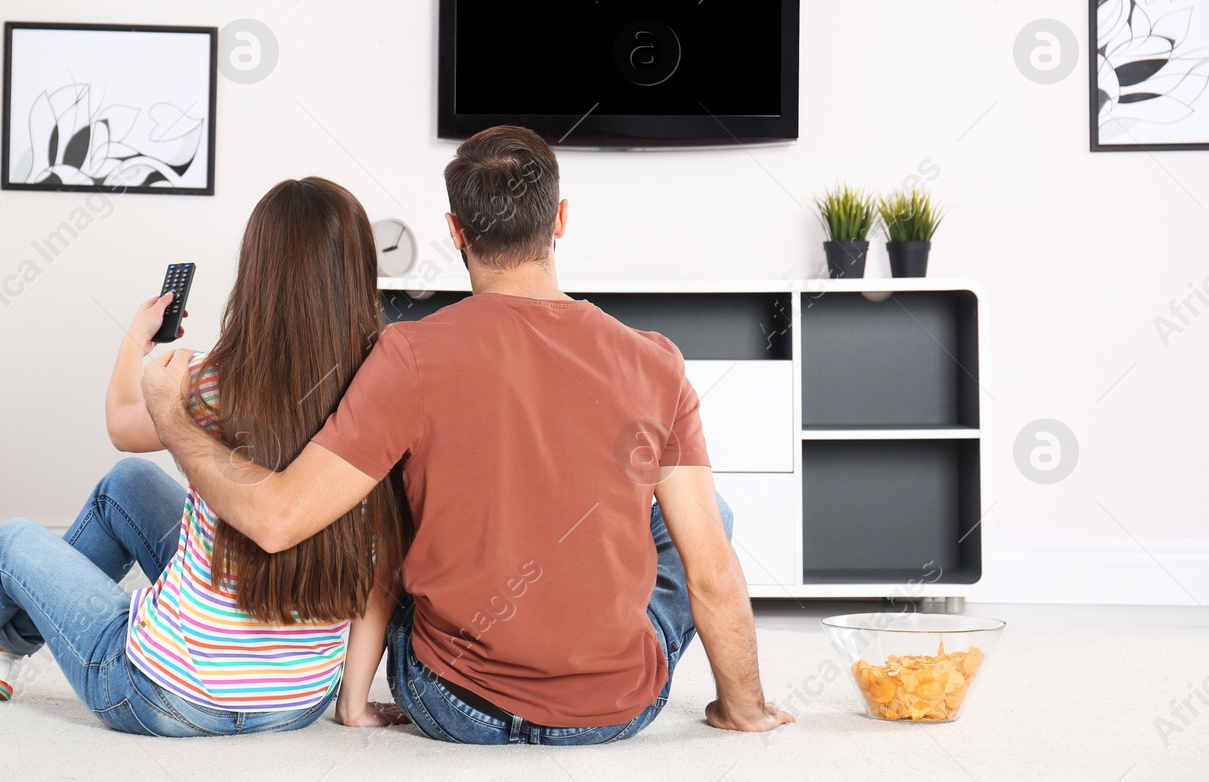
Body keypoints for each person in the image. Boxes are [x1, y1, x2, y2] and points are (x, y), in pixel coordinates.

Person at [142, 125, 795, 744]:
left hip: (455, 706)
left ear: (455, 232)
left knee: (402, 500)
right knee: (708, 522)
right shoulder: (656, 361)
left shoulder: (408, 354)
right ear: (559, 219)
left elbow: (283, 519)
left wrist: (172, 416)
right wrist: (744, 708)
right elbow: (710, 573)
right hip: (614, 710)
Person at [0, 177, 412, 737]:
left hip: (161, 695)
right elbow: (382, 571)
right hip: (296, 701)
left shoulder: (215, 380)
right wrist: (353, 704)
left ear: (259, 273)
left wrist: (135, 343)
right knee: (129, 484)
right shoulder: (377, 396)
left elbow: (121, 423)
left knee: (11, 545)